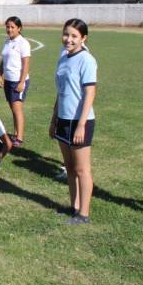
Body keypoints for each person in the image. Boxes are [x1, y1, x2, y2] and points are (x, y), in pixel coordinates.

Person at [50, 18, 97, 225]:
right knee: (69, 167)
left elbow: (90, 93)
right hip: (63, 119)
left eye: (74, 36)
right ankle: (74, 206)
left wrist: (81, 124)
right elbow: (60, 93)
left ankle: (84, 214)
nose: (68, 39)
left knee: (81, 169)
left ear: (83, 38)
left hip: (80, 121)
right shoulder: (63, 58)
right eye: (66, 34)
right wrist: (54, 119)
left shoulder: (86, 60)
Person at [0, 16, 32, 147]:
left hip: (18, 81)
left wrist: (22, 82)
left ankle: (19, 138)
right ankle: (16, 133)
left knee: (17, 108)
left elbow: (26, 64)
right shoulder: (7, 42)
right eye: (8, 27)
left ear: (19, 28)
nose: (9, 29)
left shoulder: (23, 43)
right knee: (13, 108)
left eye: (12, 27)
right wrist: (0, 74)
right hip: (8, 81)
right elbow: (3, 60)